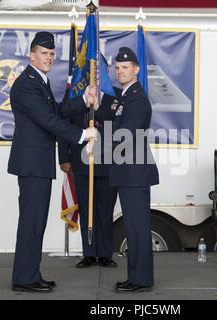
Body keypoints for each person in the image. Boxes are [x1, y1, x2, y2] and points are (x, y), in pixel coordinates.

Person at [8, 31, 97, 293]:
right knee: (31, 222)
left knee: (36, 222)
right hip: (32, 164)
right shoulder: (26, 84)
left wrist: (83, 100)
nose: (48, 58)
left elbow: (55, 112)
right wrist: (82, 134)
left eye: (51, 54)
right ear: (31, 55)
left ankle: (30, 274)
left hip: (38, 163)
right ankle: (24, 278)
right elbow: (47, 121)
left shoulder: (39, 81)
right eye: (43, 54)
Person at [95, 47, 159, 293]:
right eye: (117, 68)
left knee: (137, 229)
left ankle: (141, 279)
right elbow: (109, 119)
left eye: (125, 68)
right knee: (133, 228)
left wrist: (96, 142)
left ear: (136, 70)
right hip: (126, 170)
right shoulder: (123, 97)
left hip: (134, 171)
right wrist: (94, 102)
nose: (120, 71)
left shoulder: (137, 99)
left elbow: (125, 134)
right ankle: (137, 277)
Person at [58, 73, 120, 269]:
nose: (94, 76)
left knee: (105, 210)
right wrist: (64, 158)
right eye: (90, 72)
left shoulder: (115, 97)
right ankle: (89, 254)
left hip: (108, 162)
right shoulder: (74, 96)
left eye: (97, 72)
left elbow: (119, 128)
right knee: (86, 210)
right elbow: (63, 126)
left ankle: (105, 254)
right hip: (81, 162)